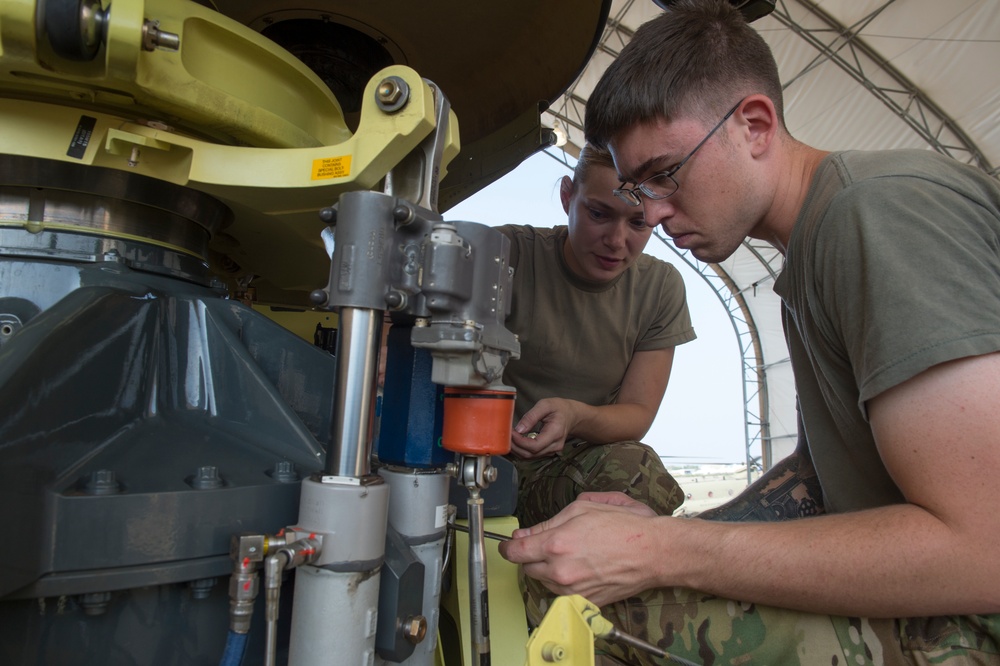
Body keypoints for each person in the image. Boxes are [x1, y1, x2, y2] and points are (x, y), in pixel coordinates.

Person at [499, 2, 1000, 665]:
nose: (651, 213)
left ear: (755, 126)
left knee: (576, 620)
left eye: (665, 175)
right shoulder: (816, 246)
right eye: (633, 185)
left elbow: (984, 548)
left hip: (968, 618)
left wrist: (667, 552)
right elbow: (816, 479)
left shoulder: (875, 216)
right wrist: (667, 536)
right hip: (931, 599)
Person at [496, 143, 696, 623]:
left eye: (638, 224)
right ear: (568, 196)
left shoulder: (660, 288)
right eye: (599, 214)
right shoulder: (506, 255)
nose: (616, 240)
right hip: (476, 462)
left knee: (636, 468)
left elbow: (636, 416)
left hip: (564, 475)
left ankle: (573, 621)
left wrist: (574, 415)